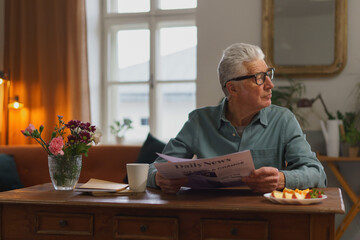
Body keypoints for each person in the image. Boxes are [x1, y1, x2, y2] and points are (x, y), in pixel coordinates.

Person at [147, 43, 327, 194]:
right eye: (259, 78)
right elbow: (156, 168)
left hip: (266, 218)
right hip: (209, 217)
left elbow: (317, 174)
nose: (270, 85)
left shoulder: (283, 120)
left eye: (268, 75)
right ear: (232, 89)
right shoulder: (199, 121)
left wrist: (281, 179)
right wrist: (159, 178)